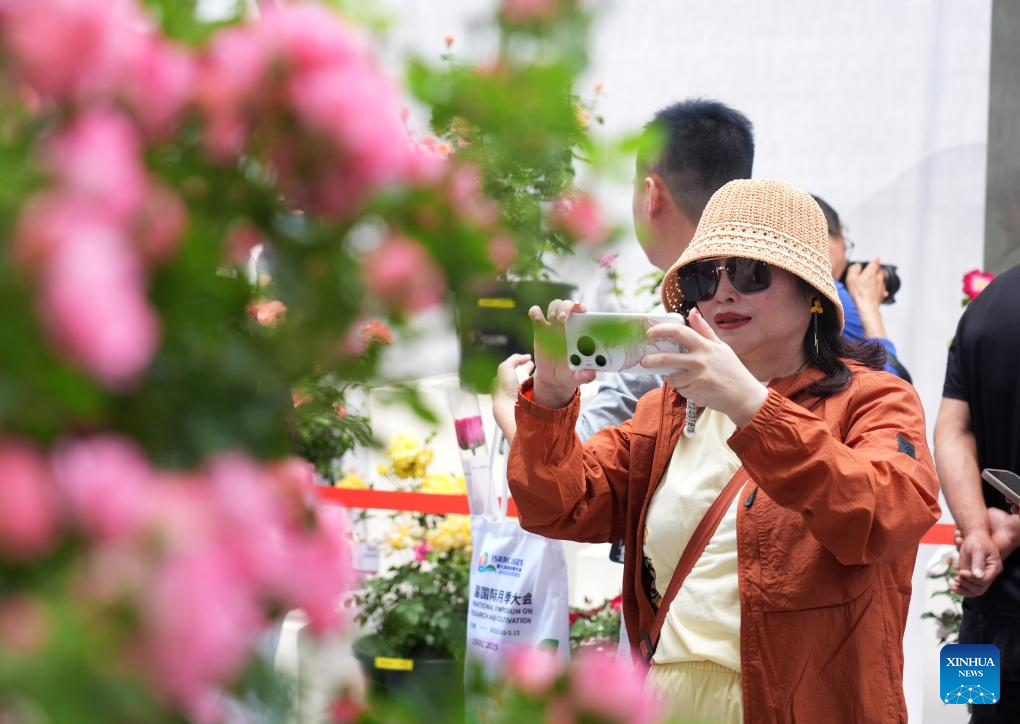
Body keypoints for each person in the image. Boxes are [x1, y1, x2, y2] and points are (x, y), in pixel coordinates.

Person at [506, 179, 940, 722]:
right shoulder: (665, 410)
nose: (723, 292)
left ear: (810, 292)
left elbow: (884, 515)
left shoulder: (875, 399)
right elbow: (558, 506)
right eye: (702, 276)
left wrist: (752, 407)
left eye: (751, 272)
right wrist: (550, 398)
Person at [492, 99, 755, 442]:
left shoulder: (663, 336)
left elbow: (578, 468)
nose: (724, 296)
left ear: (651, 194)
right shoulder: (774, 313)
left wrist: (513, 405)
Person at [935, 262, 1020, 723]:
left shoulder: (986, 307)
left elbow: (952, 431)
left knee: (981, 715)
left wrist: (975, 530)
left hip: (985, 621)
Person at [812, 194, 910, 380]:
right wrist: (868, 307)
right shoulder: (833, 295)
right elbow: (888, 382)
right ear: (829, 236)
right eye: (847, 245)